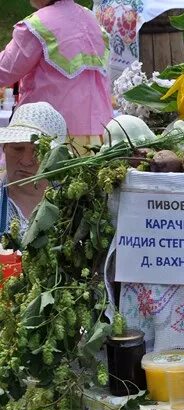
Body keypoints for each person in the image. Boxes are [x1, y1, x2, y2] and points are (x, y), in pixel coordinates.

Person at [0, 0, 112, 146]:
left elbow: (5, 71)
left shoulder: (37, 25)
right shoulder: (91, 19)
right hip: (98, 132)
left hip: (49, 132)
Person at [0, 102, 67, 237]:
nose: (25, 161)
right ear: (4, 148)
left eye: (38, 151)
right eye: (17, 148)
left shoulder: (71, 203)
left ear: (55, 159)